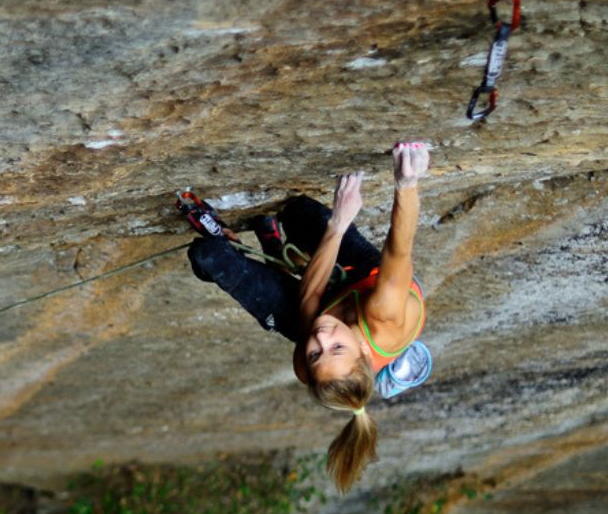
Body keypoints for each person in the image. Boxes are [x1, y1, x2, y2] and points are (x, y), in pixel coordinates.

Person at [177, 141, 433, 490]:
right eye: (337, 349)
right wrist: (406, 183)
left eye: (316, 354)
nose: (321, 339)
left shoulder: (305, 362)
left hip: (318, 303)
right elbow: (400, 247)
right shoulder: (386, 314)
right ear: (362, 351)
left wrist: (338, 226)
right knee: (298, 213)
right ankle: (279, 249)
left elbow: (310, 297)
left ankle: (252, 246)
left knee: (208, 257)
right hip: (362, 279)